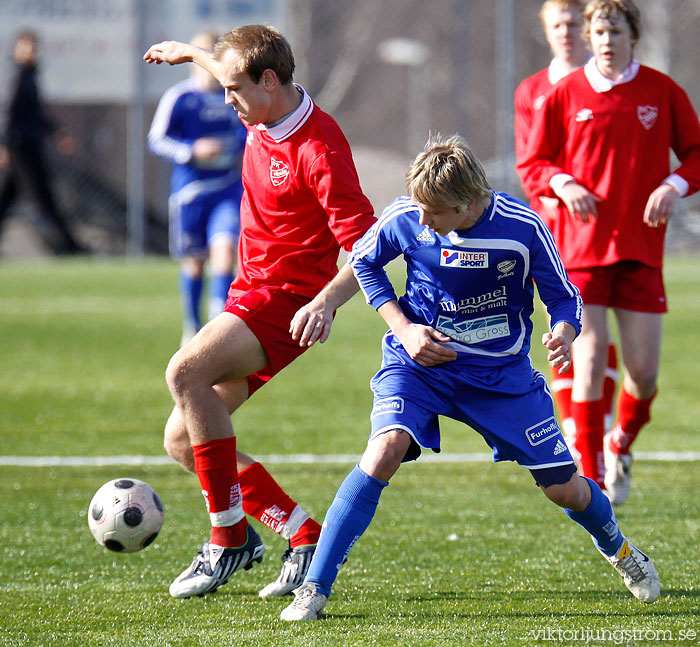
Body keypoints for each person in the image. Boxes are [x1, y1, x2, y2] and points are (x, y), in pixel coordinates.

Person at [281, 134, 660, 621]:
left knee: (565, 489)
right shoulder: (406, 216)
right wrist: (404, 328)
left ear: (466, 205)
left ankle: (622, 551)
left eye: (433, 214)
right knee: (384, 449)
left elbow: (565, 298)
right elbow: (366, 263)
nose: (421, 221)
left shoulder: (522, 228)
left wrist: (563, 333)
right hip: (418, 366)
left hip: (499, 377)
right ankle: (314, 589)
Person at [143, 25, 376, 599]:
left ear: (270, 82)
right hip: (249, 296)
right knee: (183, 439)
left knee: (183, 372)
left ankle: (228, 540)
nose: (228, 101)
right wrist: (189, 53)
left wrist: (326, 301)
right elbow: (233, 65)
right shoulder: (262, 108)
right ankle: (302, 535)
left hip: (288, 304)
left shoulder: (318, 147)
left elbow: (370, 244)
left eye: (234, 90)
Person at [518, 0, 700, 504]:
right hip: (582, 250)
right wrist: (563, 182)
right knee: (591, 353)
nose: (604, 39)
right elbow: (534, 161)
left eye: (614, 30)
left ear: (632, 36)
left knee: (643, 375)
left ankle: (620, 442)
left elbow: (696, 153)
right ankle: (593, 475)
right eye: (598, 30)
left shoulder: (661, 91)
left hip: (642, 250)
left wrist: (673, 184)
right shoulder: (566, 93)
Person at [514, 0, 619, 456]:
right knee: (567, 324)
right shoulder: (532, 90)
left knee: (600, 335)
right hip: (554, 231)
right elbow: (530, 162)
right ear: (546, 29)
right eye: (558, 23)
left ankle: (594, 417)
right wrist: (555, 197)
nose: (567, 30)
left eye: (575, 22)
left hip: (603, 231)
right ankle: (579, 424)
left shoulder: (610, 85)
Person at [148, 31, 247, 346]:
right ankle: (192, 327)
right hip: (191, 192)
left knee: (225, 253)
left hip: (227, 189)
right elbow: (157, 140)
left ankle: (218, 331)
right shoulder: (180, 98)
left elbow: (248, 134)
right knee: (194, 261)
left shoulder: (231, 97)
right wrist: (192, 150)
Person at [0, 30, 84, 254]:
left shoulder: (29, 75)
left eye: (33, 48)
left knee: (8, 198)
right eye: (25, 47)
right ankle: (70, 247)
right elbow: (8, 113)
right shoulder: (18, 76)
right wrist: (5, 146)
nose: (30, 52)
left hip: (28, 143)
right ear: (16, 50)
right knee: (43, 197)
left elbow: (35, 115)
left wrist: (56, 131)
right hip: (20, 146)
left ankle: (70, 246)